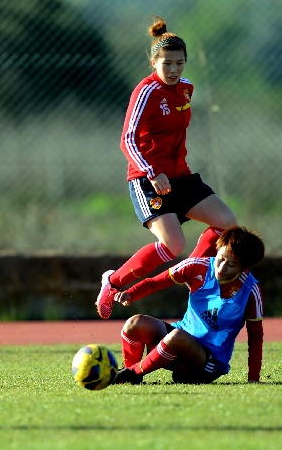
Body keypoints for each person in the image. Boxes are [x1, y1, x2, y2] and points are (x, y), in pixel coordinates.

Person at [96, 16, 237, 319]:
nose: (173, 70)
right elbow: (127, 139)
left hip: (180, 176)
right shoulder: (145, 91)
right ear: (154, 63)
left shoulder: (186, 89)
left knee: (228, 224)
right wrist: (151, 171)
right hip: (147, 178)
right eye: (167, 64)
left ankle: (193, 271)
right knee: (173, 244)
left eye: (179, 63)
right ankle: (113, 282)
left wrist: (172, 171)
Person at [111, 226, 265, 385]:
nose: (222, 267)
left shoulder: (251, 291)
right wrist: (131, 293)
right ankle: (128, 379)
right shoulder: (198, 267)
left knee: (177, 337)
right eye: (221, 258)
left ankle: (132, 372)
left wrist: (253, 377)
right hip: (176, 344)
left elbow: (255, 337)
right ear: (217, 250)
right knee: (135, 324)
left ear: (243, 267)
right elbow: (155, 283)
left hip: (207, 364)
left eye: (231, 264)